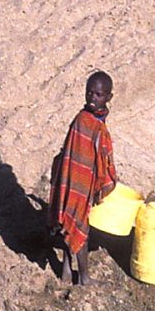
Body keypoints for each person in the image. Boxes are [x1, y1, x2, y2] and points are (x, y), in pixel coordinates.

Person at [47, 71, 117, 287]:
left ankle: (67, 272)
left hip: (78, 180)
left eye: (98, 94)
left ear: (108, 97)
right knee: (80, 231)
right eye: (89, 93)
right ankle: (85, 278)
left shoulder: (96, 123)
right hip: (77, 182)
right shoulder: (84, 121)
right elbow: (80, 154)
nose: (92, 98)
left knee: (71, 225)